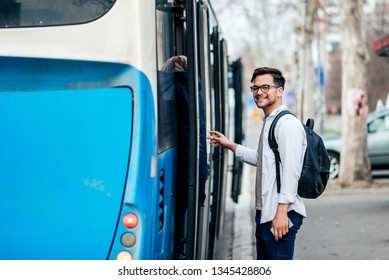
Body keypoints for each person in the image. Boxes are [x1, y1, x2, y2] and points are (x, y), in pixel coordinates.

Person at [208, 67, 307, 260]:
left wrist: (281, 213)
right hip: (267, 213)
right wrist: (230, 145)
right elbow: (261, 160)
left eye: (265, 87)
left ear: (279, 91)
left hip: (280, 215)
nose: (259, 92)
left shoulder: (286, 124)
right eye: (255, 88)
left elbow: (291, 171)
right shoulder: (271, 120)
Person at [160, 55, 207, 259]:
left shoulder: (170, 89)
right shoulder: (194, 90)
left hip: (181, 164)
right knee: (181, 212)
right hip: (192, 164)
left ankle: (177, 250)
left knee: (175, 214)